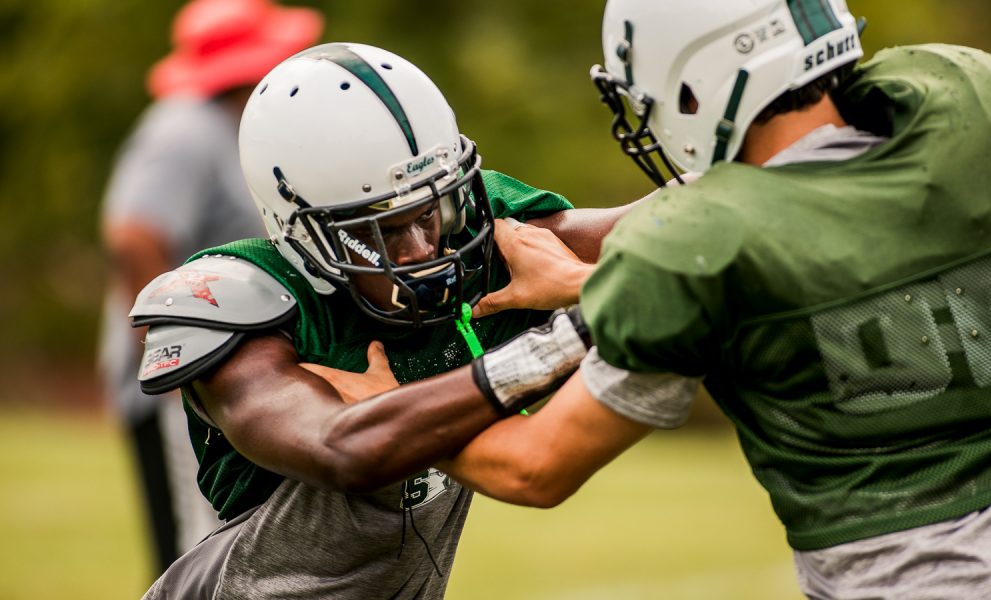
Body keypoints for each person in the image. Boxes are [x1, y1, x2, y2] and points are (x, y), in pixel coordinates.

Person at [308, 1, 991, 598]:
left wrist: (387, 408)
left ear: (692, 85)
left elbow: (532, 466)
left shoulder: (696, 251)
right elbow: (856, 274)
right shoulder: (970, 98)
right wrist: (593, 286)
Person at [132, 42, 632, 599]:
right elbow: (345, 449)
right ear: (302, 231)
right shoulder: (248, 302)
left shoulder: (484, 245)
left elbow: (676, 233)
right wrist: (571, 334)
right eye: (384, 230)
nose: (422, 248)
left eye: (429, 213)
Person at [97, 0, 323, 574]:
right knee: (192, 562)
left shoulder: (232, 125)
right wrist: (172, 357)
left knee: (233, 557)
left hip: (221, 377)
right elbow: (133, 235)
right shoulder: (184, 131)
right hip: (184, 387)